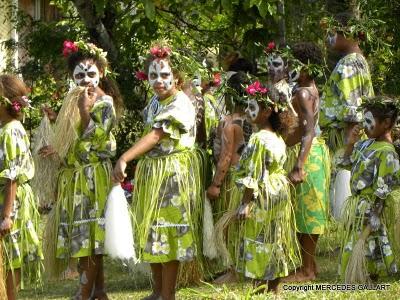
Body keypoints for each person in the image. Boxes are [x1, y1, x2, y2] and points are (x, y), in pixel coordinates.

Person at [112, 44, 200, 300]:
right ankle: (157, 290)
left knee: (169, 231)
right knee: (152, 228)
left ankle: (168, 294)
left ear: (177, 78)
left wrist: (125, 158)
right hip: (155, 172)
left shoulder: (181, 103)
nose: (159, 81)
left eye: (164, 75)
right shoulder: (154, 102)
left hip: (173, 174)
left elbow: (156, 135)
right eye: (153, 75)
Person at [40, 40, 123, 299]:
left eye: (91, 73)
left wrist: (83, 110)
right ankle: (98, 291)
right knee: (86, 236)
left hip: (92, 177)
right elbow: (72, 139)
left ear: (102, 73)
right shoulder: (73, 99)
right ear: (71, 76)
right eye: (79, 74)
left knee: (89, 238)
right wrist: (56, 136)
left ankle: (83, 293)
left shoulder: (104, 101)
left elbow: (94, 137)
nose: (85, 78)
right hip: (74, 178)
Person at [234, 82, 299, 294]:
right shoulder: (278, 137)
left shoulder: (259, 139)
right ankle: (275, 290)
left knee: (259, 238)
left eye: (253, 107)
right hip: (278, 193)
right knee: (275, 238)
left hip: (262, 195)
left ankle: (258, 290)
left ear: (268, 111)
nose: (247, 111)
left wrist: (245, 203)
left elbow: (253, 175)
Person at [338, 96, 400, 281]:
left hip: (371, 206)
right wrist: (350, 143)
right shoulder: (365, 143)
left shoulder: (387, 152)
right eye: (364, 120)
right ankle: (359, 273)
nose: (364, 125)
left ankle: (370, 275)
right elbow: (346, 163)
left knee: (371, 242)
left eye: (369, 121)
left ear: (386, 123)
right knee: (357, 241)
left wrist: (375, 214)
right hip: (358, 207)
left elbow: (383, 189)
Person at [319, 12, 374, 219]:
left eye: (332, 33)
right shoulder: (356, 61)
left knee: (343, 199)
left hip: (345, 139)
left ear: (348, 33)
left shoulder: (349, 64)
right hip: (347, 139)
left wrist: (348, 154)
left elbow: (353, 111)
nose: (329, 38)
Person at [283, 42, 330, 282]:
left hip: (309, 156)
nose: (288, 67)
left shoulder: (302, 92)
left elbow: (308, 130)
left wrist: (299, 165)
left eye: (293, 63)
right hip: (314, 152)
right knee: (306, 211)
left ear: (305, 67)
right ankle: (309, 265)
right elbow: (301, 130)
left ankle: (307, 270)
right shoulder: (309, 88)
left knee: (308, 212)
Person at [206, 71, 252, 283]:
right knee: (245, 225)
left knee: (229, 226)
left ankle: (233, 271)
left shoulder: (229, 122)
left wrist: (216, 184)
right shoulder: (254, 118)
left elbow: (225, 157)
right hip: (251, 178)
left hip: (234, 179)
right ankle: (243, 267)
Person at [0, 75, 43, 300]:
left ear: (5, 103)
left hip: (11, 202)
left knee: (9, 255)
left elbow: (12, 176)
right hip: (7, 198)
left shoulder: (11, 130)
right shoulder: (6, 128)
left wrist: (6, 215)